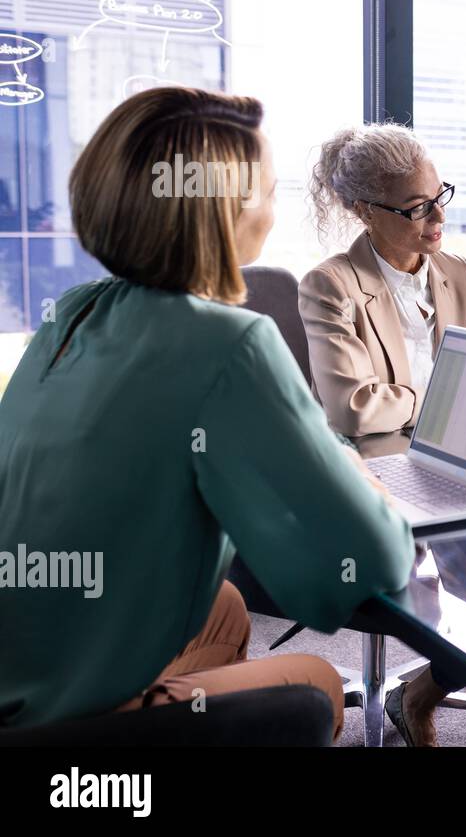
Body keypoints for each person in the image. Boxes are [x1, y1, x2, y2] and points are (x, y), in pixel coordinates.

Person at [0, 87, 415, 739]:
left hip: (19, 659)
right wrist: (353, 470)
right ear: (223, 212)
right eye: (271, 193)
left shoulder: (72, 313)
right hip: (58, 719)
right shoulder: (230, 342)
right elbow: (361, 568)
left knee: (224, 608)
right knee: (318, 682)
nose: (277, 213)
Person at [299, 124, 466, 439]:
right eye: (419, 207)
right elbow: (354, 410)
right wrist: (446, 403)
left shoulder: (457, 273)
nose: (440, 216)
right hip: (365, 463)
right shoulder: (330, 287)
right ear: (367, 212)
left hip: (447, 449)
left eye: (440, 196)